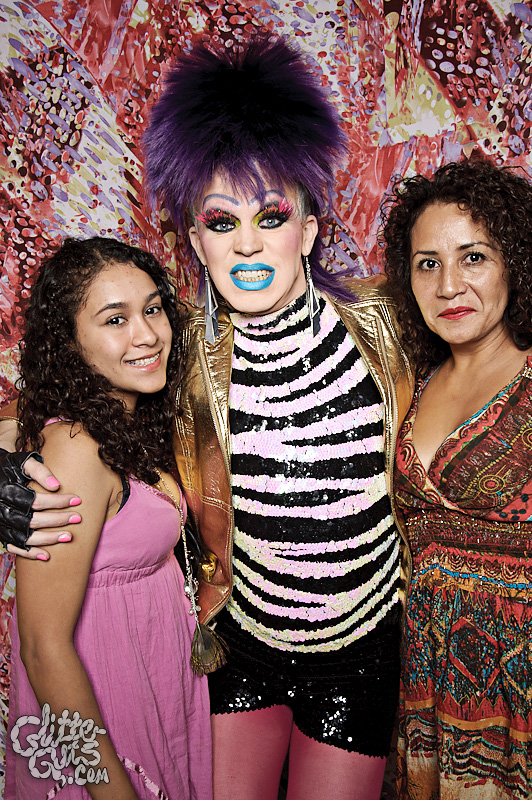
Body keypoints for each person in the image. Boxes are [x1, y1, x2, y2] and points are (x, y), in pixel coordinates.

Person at [0, 34, 414, 800]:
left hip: (360, 651)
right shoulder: (177, 349)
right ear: (195, 239)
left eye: (272, 215)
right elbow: (51, 397)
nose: (248, 244)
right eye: (222, 222)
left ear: (309, 229)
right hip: (239, 649)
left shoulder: (389, 322)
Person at [4, 237, 212, 799]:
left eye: (152, 309)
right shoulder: (75, 446)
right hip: (102, 704)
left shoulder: (128, 420)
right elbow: (42, 649)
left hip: (152, 683)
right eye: (115, 319)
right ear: (69, 342)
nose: (147, 334)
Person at [381, 158, 532, 799]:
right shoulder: (413, 383)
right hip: (429, 675)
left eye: (473, 257)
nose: (448, 285)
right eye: (428, 263)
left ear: (514, 264)